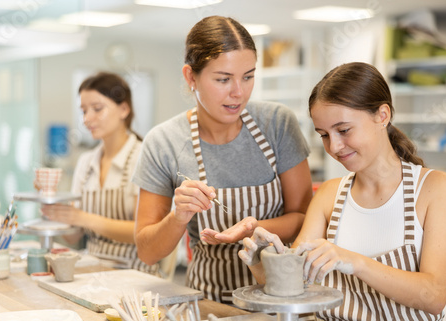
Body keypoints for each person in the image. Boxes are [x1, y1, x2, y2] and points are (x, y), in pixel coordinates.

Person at [239, 62, 446, 321]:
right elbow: (292, 283)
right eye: (324, 135)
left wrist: (355, 262)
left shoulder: (435, 188)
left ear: (382, 115)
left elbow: (434, 296)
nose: (334, 146)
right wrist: (262, 261)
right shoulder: (330, 195)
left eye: (343, 130)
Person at [132, 15, 312, 303]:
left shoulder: (277, 124)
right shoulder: (163, 142)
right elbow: (147, 251)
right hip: (210, 304)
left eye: (248, 76)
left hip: (282, 298)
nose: (238, 92)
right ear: (191, 77)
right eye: (223, 79)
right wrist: (177, 217)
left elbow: (305, 219)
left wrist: (254, 228)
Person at [40, 72, 159, 275]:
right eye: (84, 111)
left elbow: (147, 235)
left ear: (123, 109)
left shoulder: (144, 157)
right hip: (92, 271)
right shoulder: (86, 162)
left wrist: (84, 218)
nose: (87, 119)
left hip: (136, 274)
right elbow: (74, 236)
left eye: (97, 109)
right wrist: (54, 206)